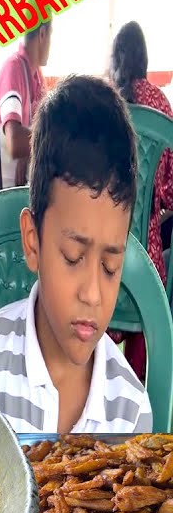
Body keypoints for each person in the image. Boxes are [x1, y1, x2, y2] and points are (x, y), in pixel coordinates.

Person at [0, 75, 149, 434]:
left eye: (111, 267)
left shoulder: (130, 408)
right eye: (72, 256)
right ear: (33, 242)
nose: (93, 294)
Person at [106, 20, 172, 380]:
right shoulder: (161, 103)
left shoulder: (105, 101)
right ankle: (140, 389)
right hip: (147, 267)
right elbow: (171, 191)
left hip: (102, 257)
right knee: (157, 253)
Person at [0, 17, 52, 189]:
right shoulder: (14, 68)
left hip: (23, 179)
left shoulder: (35, 73)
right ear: (43, 34)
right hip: (4, 188)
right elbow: (15, 143)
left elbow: (45, 124)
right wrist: (33, 146)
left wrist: (29, 152)